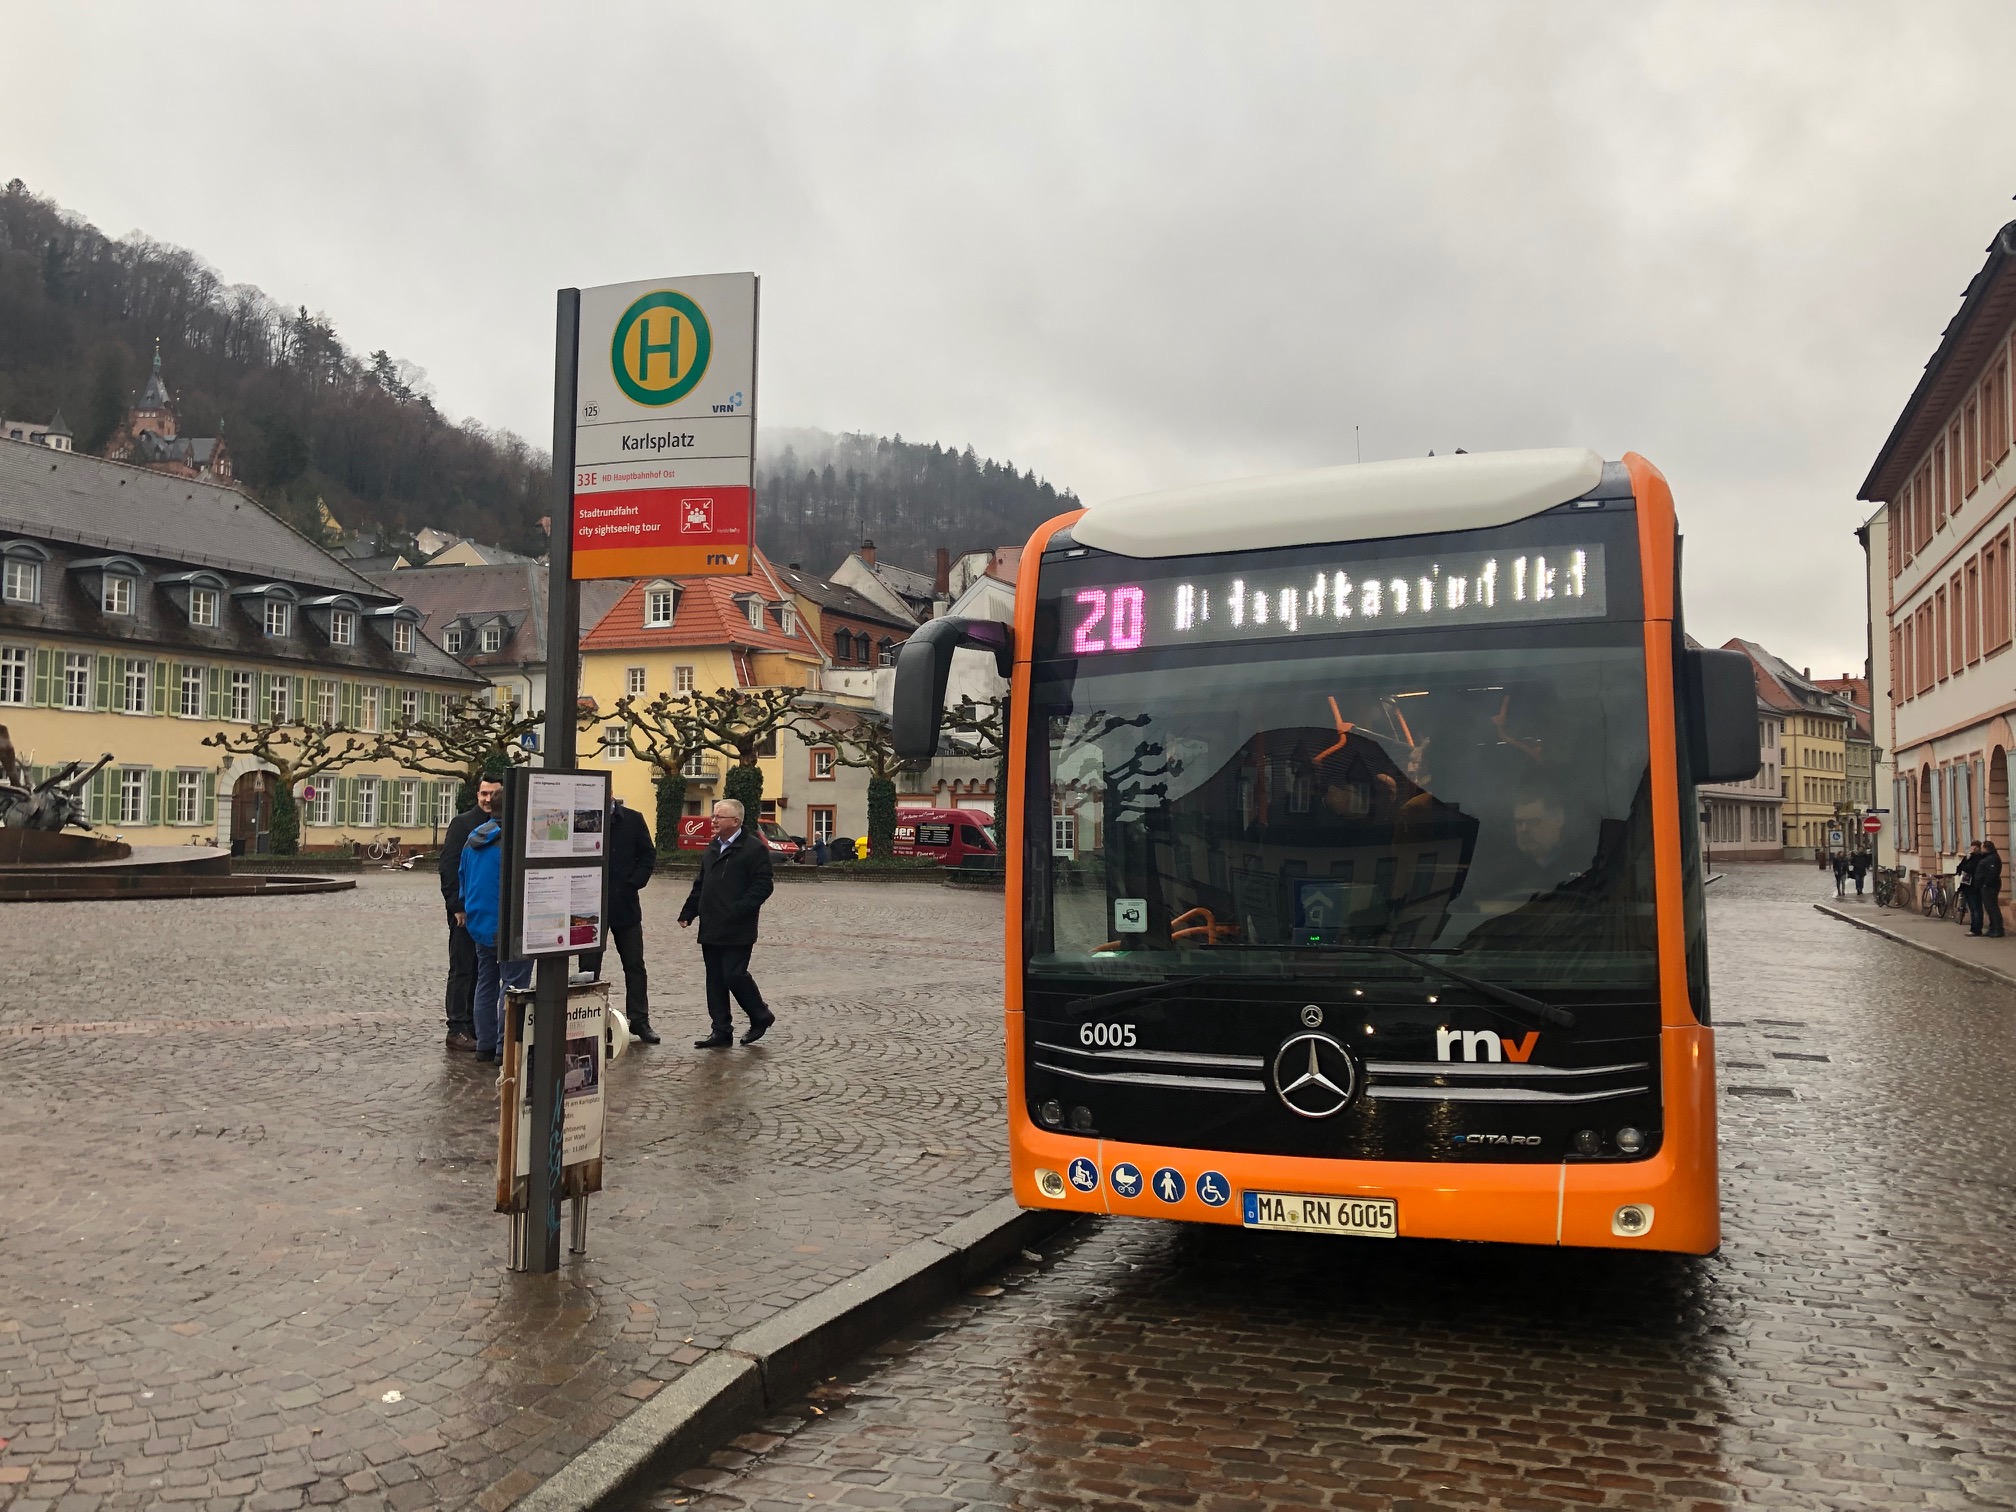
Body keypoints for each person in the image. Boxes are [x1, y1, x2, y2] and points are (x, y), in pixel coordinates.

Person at [678, 798, 776, 1048]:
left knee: (734, 975)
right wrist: (689, 911)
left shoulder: (754, 849)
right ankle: (721, 1030)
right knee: (715, 979)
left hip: (737, 926)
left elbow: (763, 886)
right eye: (713, 816)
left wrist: (738, 910)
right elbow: (702, 883)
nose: (713, 821)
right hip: (711, 925)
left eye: (718, 817)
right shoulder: (712, 847)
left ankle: (760, 1015)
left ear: (736, 821)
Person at [579, 797, 660, 1044]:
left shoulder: (633, 819)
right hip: (589, 906)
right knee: (588, 968)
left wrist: (635, 882)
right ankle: (587, 1020)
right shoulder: (582, 819)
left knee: (634, 965)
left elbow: (647, 854)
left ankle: (640, 1020)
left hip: (625, 905)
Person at [460, 795, 531, 1064]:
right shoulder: (513, 843)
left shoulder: (473, 839)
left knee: (485, 984)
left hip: (479, 924)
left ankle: (485, 1044)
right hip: (509, 925)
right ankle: (505, 1047)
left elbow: (462, 877)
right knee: (513, 987)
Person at [436, 775, 503, 1052]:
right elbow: (449, 868)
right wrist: (456, 906)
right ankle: (457, 1026)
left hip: (490, 914)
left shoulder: (505, 825)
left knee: (483, 973)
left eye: (493, 794)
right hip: (466, 912)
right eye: (483, 793)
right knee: (462, 969)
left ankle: (477, 1025)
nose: (487, 799)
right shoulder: (463, 824)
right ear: (477, 794)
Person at [1978, 840, 2005, 937]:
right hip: (1987, 885)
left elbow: (1993, 873)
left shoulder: (1992, 858)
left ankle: (1998, 929)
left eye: (1982, 847)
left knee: (1992, 907)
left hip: (1990, 886)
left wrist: (1986, 883)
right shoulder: (1988, 857)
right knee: (1989, 908)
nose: (1981, 849)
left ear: (1986, 848)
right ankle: (1992, 928)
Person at [1957, 842, 1983, 934]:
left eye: (1975, 847)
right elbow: (1959, 868)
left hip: (1974, 887)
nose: (1972, 848)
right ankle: (1974, 928)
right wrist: (1966, 859)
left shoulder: (1979, 858)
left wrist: (1965, 864)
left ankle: (1976, 929)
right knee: (1972, 908)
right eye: (1972, 846)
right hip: (1966, 886)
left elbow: (1969, 868)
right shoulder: (1969, 857)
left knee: (1976, 908)